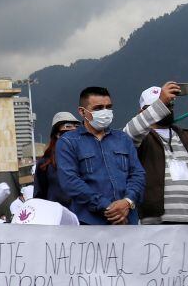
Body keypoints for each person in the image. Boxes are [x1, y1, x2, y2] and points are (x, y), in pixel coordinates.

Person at [123, 83, 188, 224]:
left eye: (168, 104)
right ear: (142, 112)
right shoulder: (138, 140)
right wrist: (162, 101)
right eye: (159, 105)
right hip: (155, 222)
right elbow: (130, 132)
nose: (165, 108)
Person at [57, 86, 146, 225]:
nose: (105, 112)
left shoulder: (123, 139)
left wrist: (127, 202)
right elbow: (70, 181)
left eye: (108, 107)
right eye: (98, 108)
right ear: (82, 112)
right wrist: (108, 207)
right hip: (90, 224)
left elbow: (138, 174)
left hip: (128, 221)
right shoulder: (68, 142)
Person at [33, 112, 80, 207]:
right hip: (58, 216)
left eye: (77, 126)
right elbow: (39, 195)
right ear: (57, 134)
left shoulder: (86, 159)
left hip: (83, 216)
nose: (74, 129)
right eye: (68, 126)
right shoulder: (45, 163)